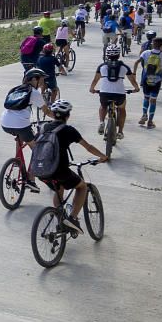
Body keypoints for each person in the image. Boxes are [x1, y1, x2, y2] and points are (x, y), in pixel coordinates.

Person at [37, 100, 109, 236]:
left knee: (59, 188)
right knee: (82, 187)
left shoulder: (43, 127)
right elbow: (88, 147)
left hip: (41, 170)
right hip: (59, 170)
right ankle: (73, 218)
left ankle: (59, 218)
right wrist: (103, 156)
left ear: (53, 114)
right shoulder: (69, 130)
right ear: (67, 116)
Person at [0, 68, 54, 193]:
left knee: (21, 138)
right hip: (21, 125)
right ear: (34, 79)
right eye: (41, 79)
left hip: (5, 123)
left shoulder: (15, 89)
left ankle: (17, 161)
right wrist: (59, 119)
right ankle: (30, 180)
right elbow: (46, 111)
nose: (43, 82)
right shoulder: (34, 93)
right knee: (38, 150)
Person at [89, 45, 140, 140]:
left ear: (107, 55)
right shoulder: (124, 67)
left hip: (104, 93)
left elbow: (95, 80)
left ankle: (101, 122)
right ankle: (120, 132)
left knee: (103, 106)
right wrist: (136, 88)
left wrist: (92, 88)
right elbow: (132, 81)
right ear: (119, 54)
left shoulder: (102, 66)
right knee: (122, 109)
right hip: (119, 94)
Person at [133, 37, 162, 129]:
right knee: (153, 100)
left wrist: (134, 73)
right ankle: (150, 121)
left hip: (146, 79)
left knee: (146, 98)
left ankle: (144, 115)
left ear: (153, 44)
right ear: (161, 45)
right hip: (157, 81)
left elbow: (136, 62)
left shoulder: (146, 53)